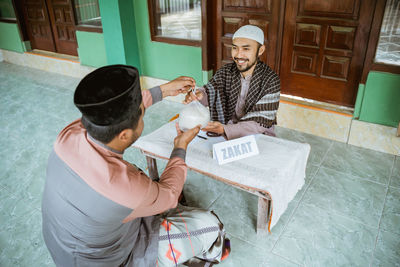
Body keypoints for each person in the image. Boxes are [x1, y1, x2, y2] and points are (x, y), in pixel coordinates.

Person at [41, 65, 229, 267]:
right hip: (117, 259)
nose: (142, 114)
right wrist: (180, 147)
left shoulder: (68, 136)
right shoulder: (123, 187)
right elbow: (170, 195)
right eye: (141, 115)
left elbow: (117, 110)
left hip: (68, 249)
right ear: (124, 135)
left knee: (148, 191)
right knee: (211, 226)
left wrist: (163, 90)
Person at [185, 25, 280, 140]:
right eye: (235, 48)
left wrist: (226, 129)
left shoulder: (270, 80)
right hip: (225, 126)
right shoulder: (226, 71)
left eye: (246, 49)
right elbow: (211, 91)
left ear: (260, 50)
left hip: (257, 134)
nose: (239, 55)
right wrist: (199, 96)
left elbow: (260, 121)